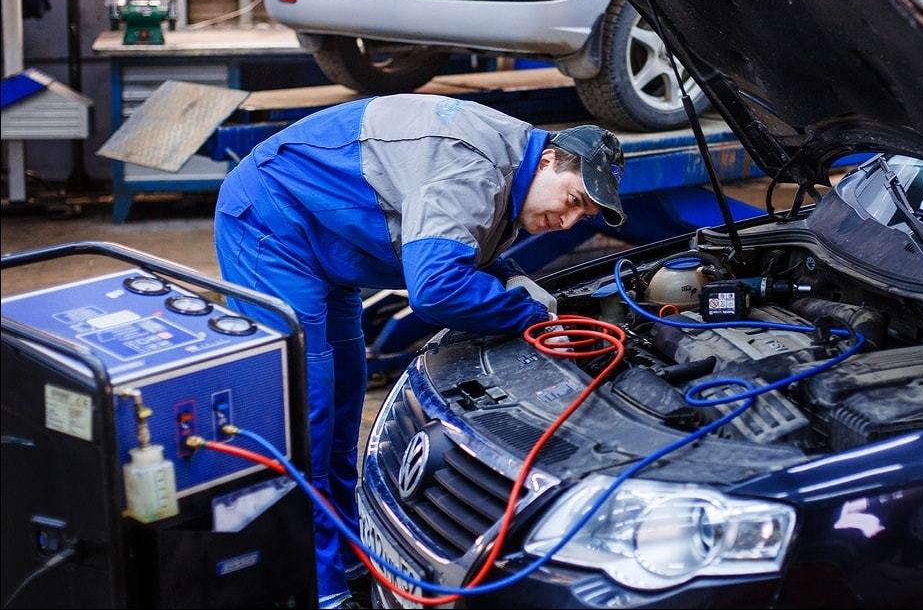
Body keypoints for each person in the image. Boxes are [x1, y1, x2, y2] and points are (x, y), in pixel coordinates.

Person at [212, 94, 625, 609]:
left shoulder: (513, 163)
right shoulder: (474, 166)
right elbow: (438, 290)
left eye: (583, 214)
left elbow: (465, 248)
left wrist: (521, 287)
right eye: (573, 199)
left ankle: (348, 560)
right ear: (548, 162)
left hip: (331, 245)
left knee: (342, 409)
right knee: (306, 419)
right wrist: (533, 318)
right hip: (271, 225)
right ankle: (321, 593)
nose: (569, 223)